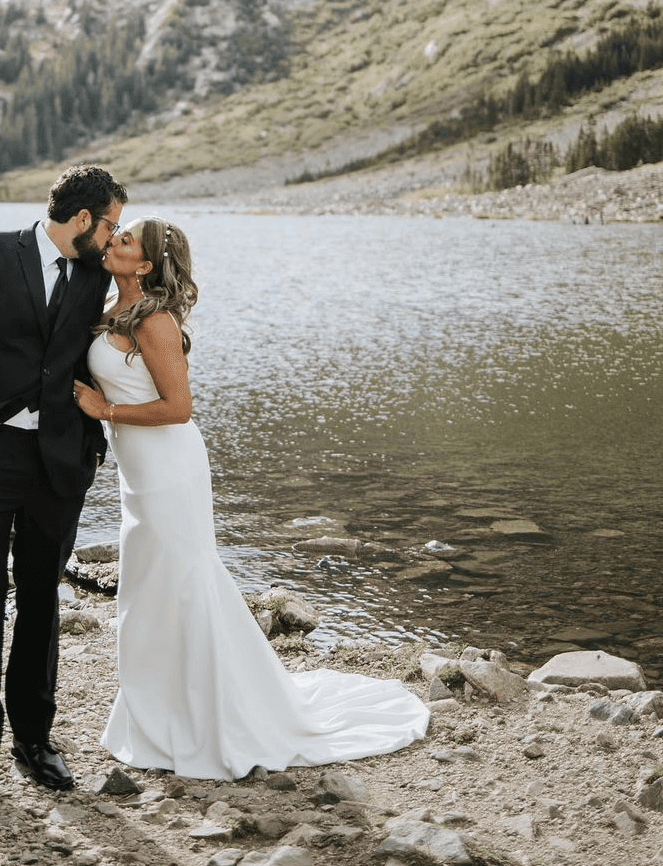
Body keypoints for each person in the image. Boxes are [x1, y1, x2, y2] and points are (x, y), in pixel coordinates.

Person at [74, 217, 430, 780]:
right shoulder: (110, 306)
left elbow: (179, 407)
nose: (113, 240)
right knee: (147, 590)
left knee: (181, 587)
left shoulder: (156, 321)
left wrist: (105, 411)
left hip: (169, 469)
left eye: (126, 239)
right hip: (139, 474)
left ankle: (209, 720)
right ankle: (156, 715)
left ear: (144, 265)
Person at [0, 164, 128, 794]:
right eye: (112, 224)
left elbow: (102, 358)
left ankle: (35, 742)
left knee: (42, 600)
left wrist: (89, 449)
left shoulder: (95, 276)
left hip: (56, 465)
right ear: (84, 218)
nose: (115, 236)